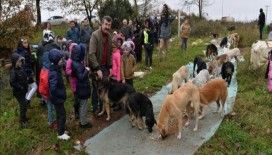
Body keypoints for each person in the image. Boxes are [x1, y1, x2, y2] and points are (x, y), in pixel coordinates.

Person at [89, 16, 113, 114]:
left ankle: (103, 107)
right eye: (106, 24)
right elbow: (91, 53)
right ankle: (95, 107)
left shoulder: (110, 36)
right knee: (96, 88)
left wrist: (110, 66)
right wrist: (97, 68)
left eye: (109, 25)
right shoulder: (95, 35)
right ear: (102, 24)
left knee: (105, 87)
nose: (107, 27)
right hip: (96, 66)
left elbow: (110, 53)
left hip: (105, 67)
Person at [48, 49, 70, 140]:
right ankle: (60, 134)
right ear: (56, 61)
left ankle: (61, 129)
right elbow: (53, 88)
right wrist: (58, 96)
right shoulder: (54, 73)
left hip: (57, 98)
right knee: (62, 115)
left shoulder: (55, 69)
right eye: (60, 59)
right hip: (57, 99)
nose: (62, 61)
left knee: (59, 114)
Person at [71, 44, 92, 128]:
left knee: (82, 105)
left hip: (80, 87)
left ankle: (81, 120)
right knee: (84, 105)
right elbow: (81, 77)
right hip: (83, 88)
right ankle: (83, 123)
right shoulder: (78, 65)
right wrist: (86, 70)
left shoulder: (75, 62)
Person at [15, 38, 37, 107]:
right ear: (21, 44)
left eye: (27, 42)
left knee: (28, 88)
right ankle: (27, 100)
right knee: (34, 87)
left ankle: (27, 104)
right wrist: (29, 73)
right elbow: (25, 65)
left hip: (23, 73)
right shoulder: (24, 53)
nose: (26, 44)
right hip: (26, 73)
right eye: (24, 43)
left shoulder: (20, 51)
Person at [10, 53, 29, 128]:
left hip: (23, 91)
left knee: (24, 105)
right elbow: (12, 82)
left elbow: (24, 76)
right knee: (23, 105)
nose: (20, 63)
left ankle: (24, 117)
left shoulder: (21, 68)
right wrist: (20, 87)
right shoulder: (13, 71)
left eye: (21, 61)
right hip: (18, 92)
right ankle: (22, 121)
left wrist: (27, 79)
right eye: (19, 61)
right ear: (15, 62)